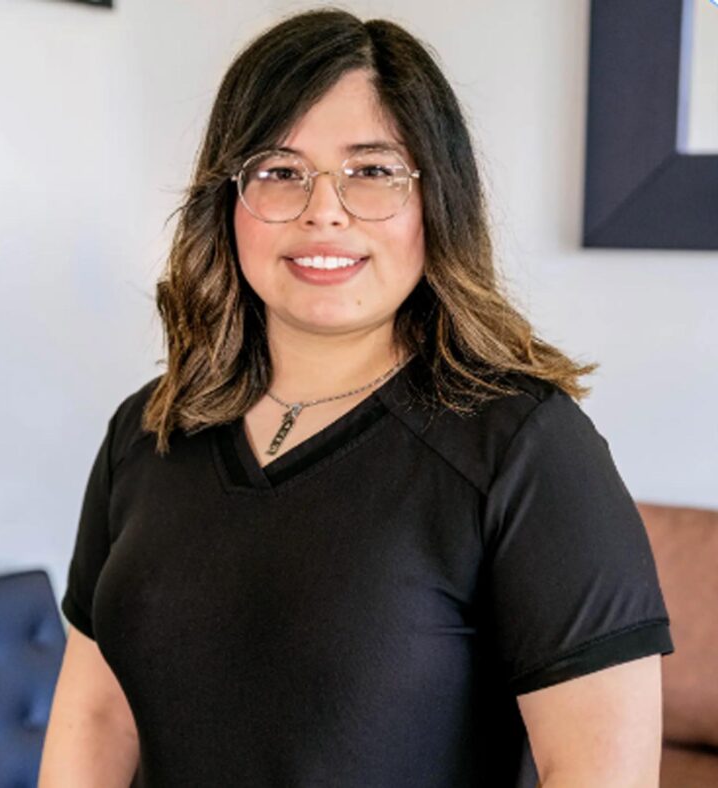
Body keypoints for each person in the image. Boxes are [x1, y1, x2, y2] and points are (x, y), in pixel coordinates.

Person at [39, 7, 674, 787]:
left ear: (435, 200)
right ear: (227, 201)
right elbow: (96, 716)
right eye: (279, 171)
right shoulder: (149, 430)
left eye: (372, 170)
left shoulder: (527, 448)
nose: (323, 210)